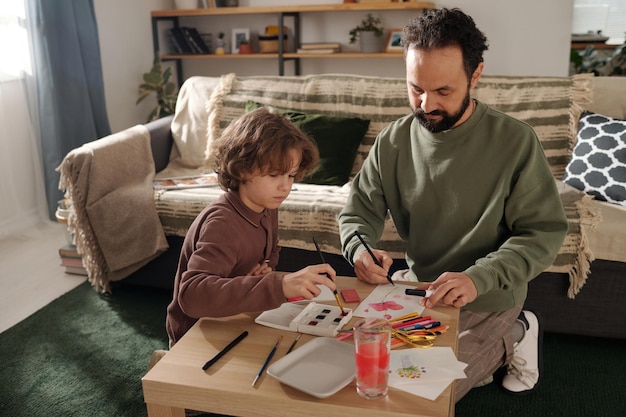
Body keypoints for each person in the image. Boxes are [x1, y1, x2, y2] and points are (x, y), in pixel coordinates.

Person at [338, 8, 568, 400]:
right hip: (418, 290)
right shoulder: (393, 141)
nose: (426, 104)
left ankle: (518, 330)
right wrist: (358, 249)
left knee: (424, 392)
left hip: (490, 294)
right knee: (359, 371)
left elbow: (541, 234)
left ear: (475, 75)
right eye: (415, 88)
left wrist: (478, 279)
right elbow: (358, 212)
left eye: (443, 91)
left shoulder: (515, 142)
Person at [166, 107, 338, 346]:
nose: (285, 187)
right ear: (242, 168)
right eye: (275, 175)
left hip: (233, 314)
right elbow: (192, 295)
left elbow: (269, 254)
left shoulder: (267, 205)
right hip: (197, 334)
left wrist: (252, 279)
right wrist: (276, 285)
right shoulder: (222, 224)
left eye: (291, 176)